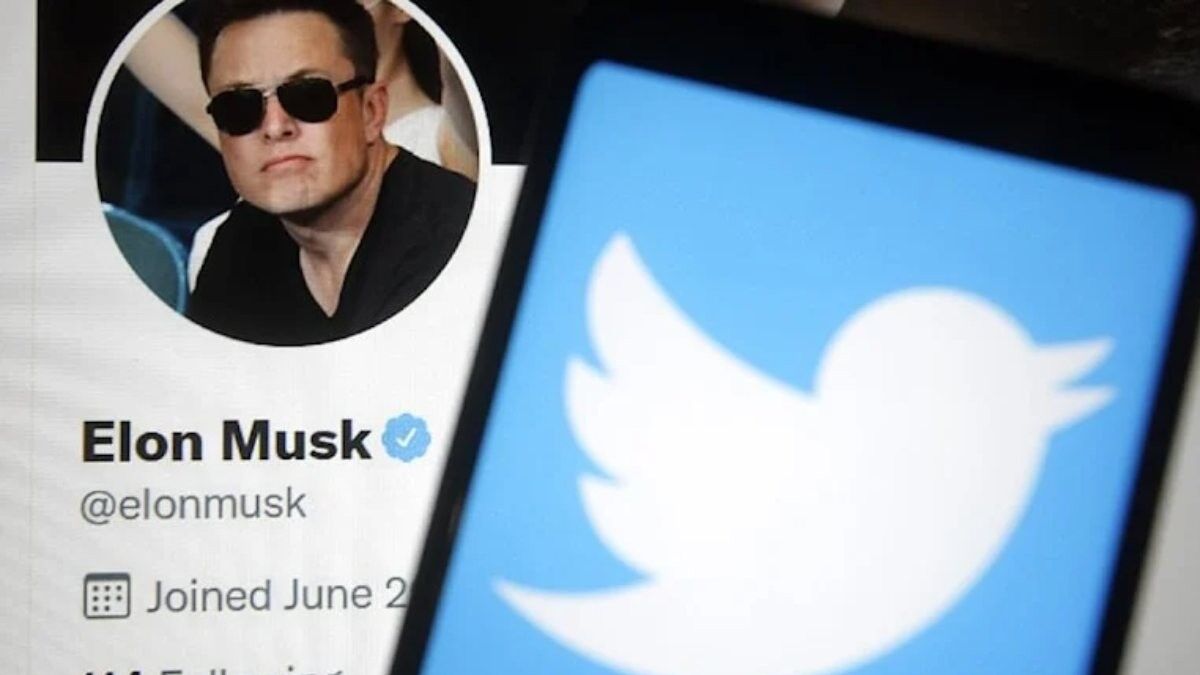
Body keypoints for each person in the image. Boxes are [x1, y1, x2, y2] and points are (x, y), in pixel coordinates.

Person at [186, 0, 474, 345]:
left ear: (372, 111)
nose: (275, 127)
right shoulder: (237, 245)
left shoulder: (456, 237)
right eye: (238, 107)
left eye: (309, 95)